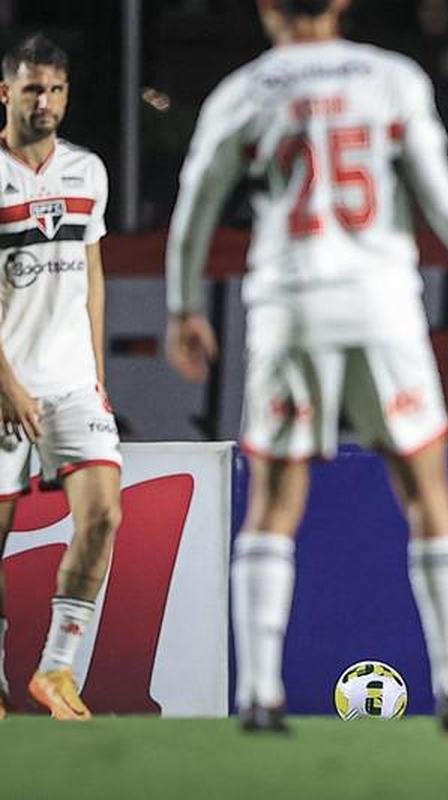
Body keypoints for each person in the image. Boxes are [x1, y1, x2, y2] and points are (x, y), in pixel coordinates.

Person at [164, 0, 448, 735]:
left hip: (289, 304)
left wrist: (183, 305)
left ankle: (260, 693)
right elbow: (435, 182)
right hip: (380, 302)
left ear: (268, 8)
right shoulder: (390, 77)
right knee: (425, 485)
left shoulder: (244, 91)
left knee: (274, 500)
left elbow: (196, 203)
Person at [0, 33, 123, 722]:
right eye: (31, 89)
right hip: (3, 384)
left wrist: (97, 374)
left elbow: (92, 277)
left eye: (54, 90)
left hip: (72, 381)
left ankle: (56, 669)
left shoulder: (88, 171)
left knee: (103, 515)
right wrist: (8, 386)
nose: (44, 102)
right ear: (5, 93)